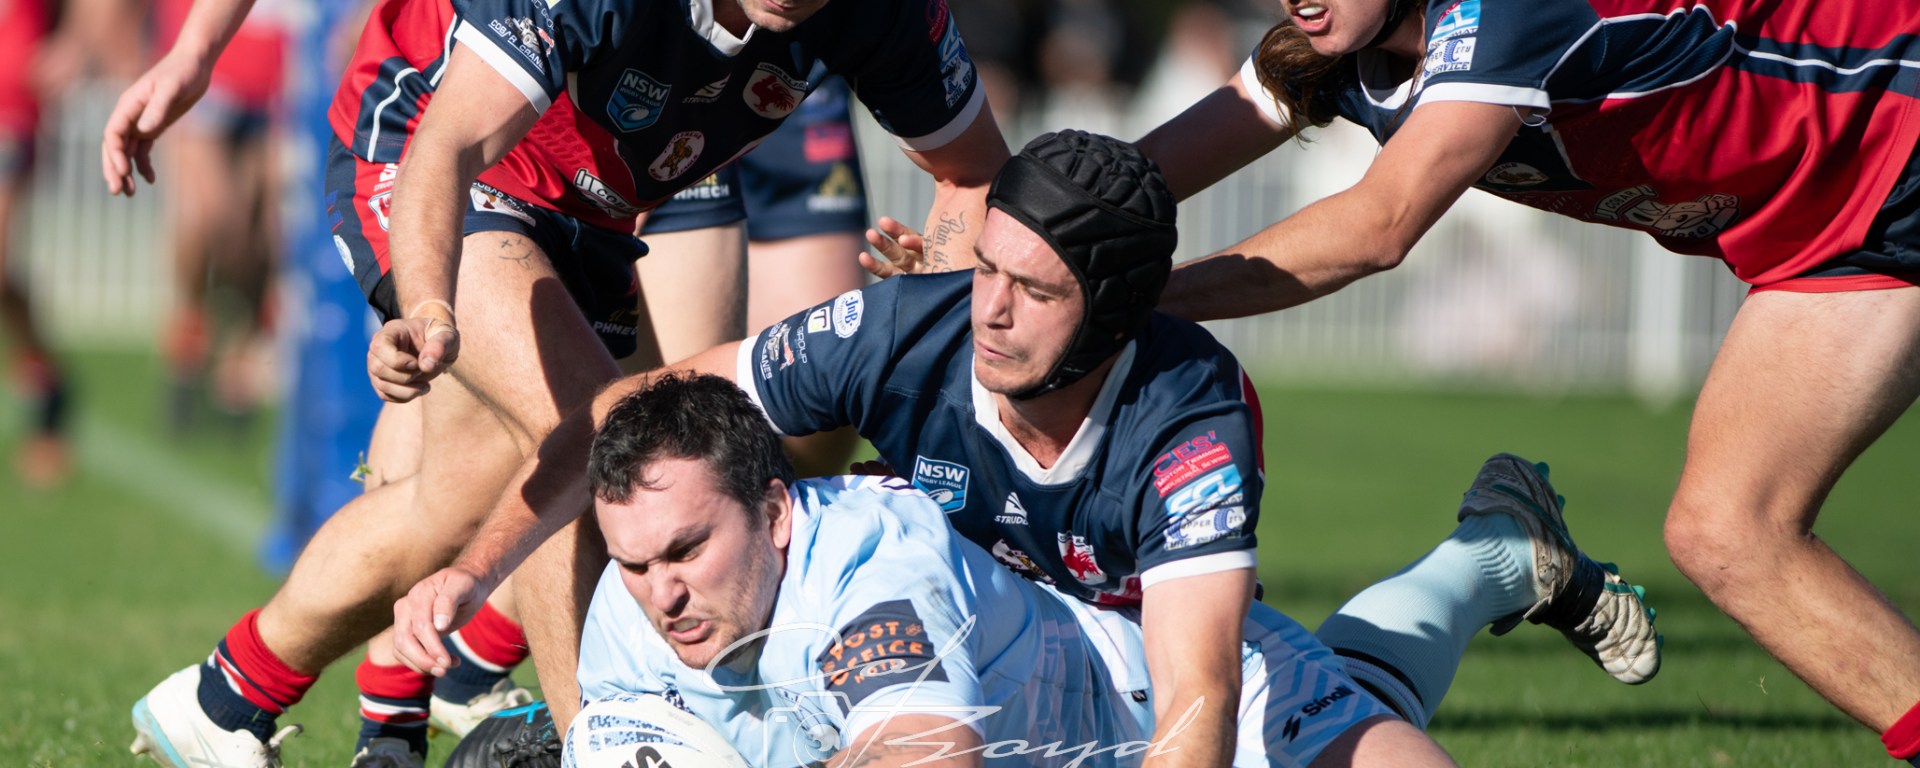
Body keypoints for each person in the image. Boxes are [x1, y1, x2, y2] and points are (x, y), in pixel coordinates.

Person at [397, 131, 1660, 765]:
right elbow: (641, 409)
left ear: (1110, 312)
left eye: (1032, 290)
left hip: (1145, 660)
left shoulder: (1189, 417)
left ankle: (1495, 556)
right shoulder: (907, 329)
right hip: (970, 640)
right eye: (986, 268)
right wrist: (474, 567)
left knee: (1348, 720)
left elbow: (1200, 698)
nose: (987, 312)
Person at [119, 0, 1010, 766]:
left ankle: (223, 700)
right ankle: (599, 740)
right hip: (433, 144)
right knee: (612, 441)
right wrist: (426, 307)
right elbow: (449, 144)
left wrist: (933, 298)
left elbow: (975, 174)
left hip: (599, 196)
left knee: (459, 502)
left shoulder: (886, 11)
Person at [1112, 2, 1920, 763]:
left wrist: (1120, 304)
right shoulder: (1328, 49)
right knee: (1727, 535)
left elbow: (1378, 225)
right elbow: (1119, 190)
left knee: (1734, 529)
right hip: (1835, 238)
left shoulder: (1500, 12)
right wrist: (1054, 251)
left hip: (1900, 134)